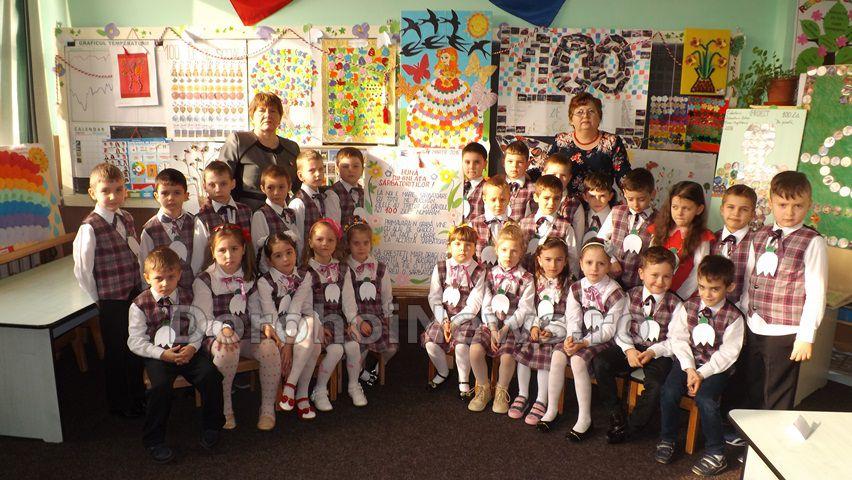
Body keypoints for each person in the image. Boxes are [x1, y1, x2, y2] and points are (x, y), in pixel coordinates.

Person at [741, 172, 827, 411]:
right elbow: (750, 278)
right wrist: (745, 315)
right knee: (753, 385)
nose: (789, 212)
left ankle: (772, 433)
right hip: (754, 324)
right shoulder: (759, 235)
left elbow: (816, 292)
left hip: (785, 331)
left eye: (797, 205)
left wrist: (806, 336)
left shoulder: (812, 241)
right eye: (782, 205)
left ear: (809, 205)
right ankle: (751, 431)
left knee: (777, 393)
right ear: (771, 203)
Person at [128, 247, 223, 463]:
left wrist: (193, 347)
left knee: (211, 376)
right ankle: (154, 440)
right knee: (160, 388)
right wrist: (162, 355)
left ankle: (212, 426)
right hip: (159, 355)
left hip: (187, 349)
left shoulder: (188, 296)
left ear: (179, 275)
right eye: (158, 278)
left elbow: (198, 328)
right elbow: (135, 341)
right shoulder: (139, 305)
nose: (165, 283)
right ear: (147, 278)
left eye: (171, 277)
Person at [656, 255, 744, 477]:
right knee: (668, 392)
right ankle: (667, 438)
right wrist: (689, 369)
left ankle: (716, 452)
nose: (707, 294)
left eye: (715, 289)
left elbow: (728, 355)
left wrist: (701, 374)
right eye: (702, 287)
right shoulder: (688, 307)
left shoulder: (734, 317)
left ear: (729, 287)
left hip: (715, 367)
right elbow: (678, 339)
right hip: (688, 362)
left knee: (706, 400)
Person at [73, 162, 145, 418]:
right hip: (111, 300)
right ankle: (119, 403)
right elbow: (83, 270)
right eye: (106, 191)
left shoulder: (126, 218)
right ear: (93, 193)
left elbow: (136, 254)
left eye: (118, 190)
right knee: (116, 351)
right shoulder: (90, 227)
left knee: (136, 344)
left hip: (133, 294)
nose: (113, 196)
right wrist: (98, 300)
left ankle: (137, 395)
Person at [193, 224, 280, 431]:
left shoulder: (249, 277)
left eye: (234, 249)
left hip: (247, 332)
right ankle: (225, 408)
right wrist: (221, 329)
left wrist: (265, 325)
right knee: (227, 351)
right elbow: (203, 319)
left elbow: (255, 312)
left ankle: (267, 408)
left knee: (270, 348)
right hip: (217, 335)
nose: (228, 255)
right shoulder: (205, 280)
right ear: (213, 252)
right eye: (222, 250)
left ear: (243, 249)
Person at [468, 224, 534, 413]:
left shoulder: (527, 279)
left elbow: (524, 309)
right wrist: (493, 329)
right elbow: (486, 303)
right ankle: (483, 388)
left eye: (514, 251)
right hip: (490, 324)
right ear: (496, 250)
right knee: (475, 351)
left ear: (521, 252)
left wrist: (504, 329)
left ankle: (501, 390)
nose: (508, 255)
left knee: (506, 357)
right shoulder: (489, 275)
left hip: (512, 327)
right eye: (504, 250)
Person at [422, 225, 486, 399]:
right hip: (443, 316)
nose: (463, 249)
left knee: (461, 345)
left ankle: (463, 380)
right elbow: (434, 297)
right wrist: (444, 321)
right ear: (450, 246)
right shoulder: (441, 267)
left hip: (466, 318)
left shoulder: (479, 271)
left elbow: (474, 304)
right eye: (458, 244)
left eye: (468, 245)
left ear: (474, 248)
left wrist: (455, 322)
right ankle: (443, 372)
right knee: (431, 342)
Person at [219, 92, 300, 209]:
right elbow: (220, 177)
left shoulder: (292, 148)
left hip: (282, 214)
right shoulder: (239, 141)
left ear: (280, 118)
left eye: (273, 111)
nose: (268, 115)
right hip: (246, 213)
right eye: (262, 110)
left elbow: (300, 187)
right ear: (252, 116)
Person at [139, 168, 206, 291]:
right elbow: (145, 264)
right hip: (164, 291)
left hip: (193, 289)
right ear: (156, 196)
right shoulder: (150, 229)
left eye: (177, 193)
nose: (171, 198)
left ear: (186, 196)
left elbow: (201, 257)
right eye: (165, 193)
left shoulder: (196, 223)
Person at [553, 92, 631, 195]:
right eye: (580, 112)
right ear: (571, 119)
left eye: (591, 111)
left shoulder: (612, 142)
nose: (585, 116)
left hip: (601, 201)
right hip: (566, 201)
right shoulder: (560, 141)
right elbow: (546, 172)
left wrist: (634, 195)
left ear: (599, 118)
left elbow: (624, 177)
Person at [649, 181, 716, 299]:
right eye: (675, 207)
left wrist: (680, 296)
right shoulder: (660, 229)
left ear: (699, 209)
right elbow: (649, 261)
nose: (679, 213)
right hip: (655, 289)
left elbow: (698, 271)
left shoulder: (702, 237)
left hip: (682, 296)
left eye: (686, 208)